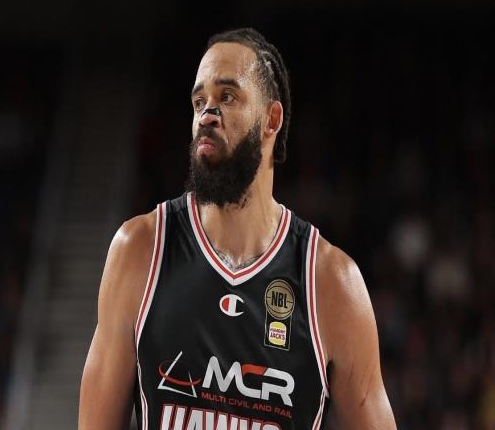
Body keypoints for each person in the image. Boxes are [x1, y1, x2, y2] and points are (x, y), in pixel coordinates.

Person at [79, 28, 397, 430]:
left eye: (227, 96)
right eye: (199, 101)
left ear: (271, 119)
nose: (207, 114)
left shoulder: (331, 283)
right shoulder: (141, 249)